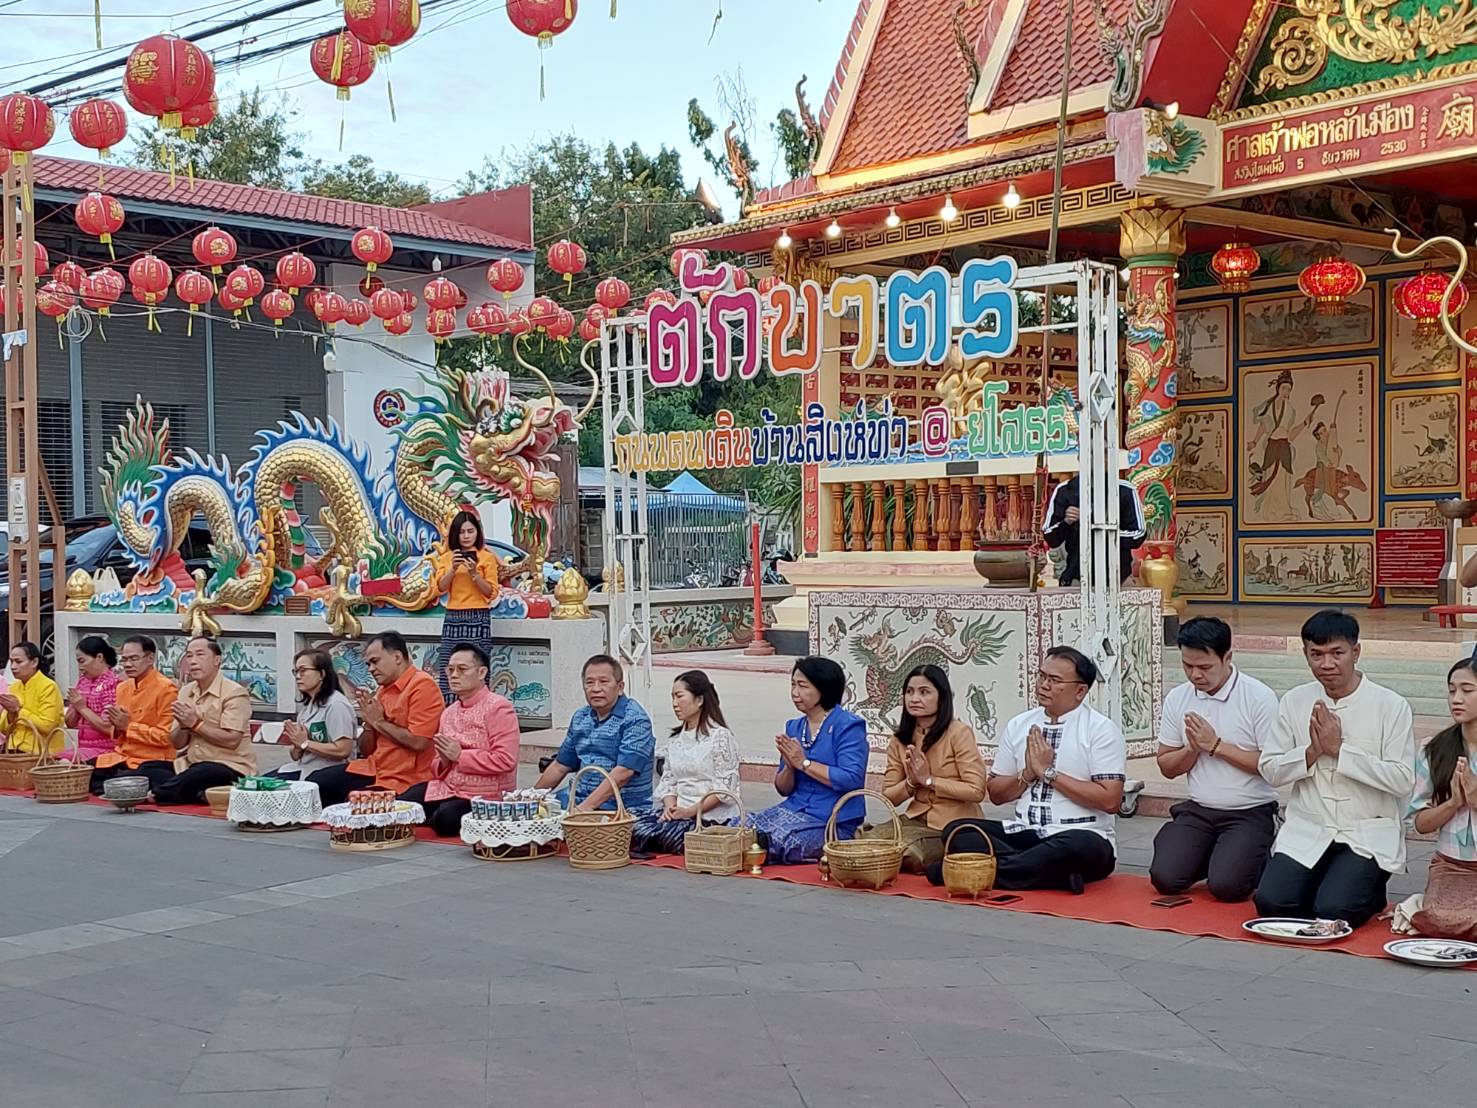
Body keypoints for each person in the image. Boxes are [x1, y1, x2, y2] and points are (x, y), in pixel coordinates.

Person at [1254, 610, 1415, 928]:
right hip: (1310, 828)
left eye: (1337, 653)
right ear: (1305, 655)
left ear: (1356, 652)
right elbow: (1270, 769)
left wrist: (1340, 752)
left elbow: (1402, 780)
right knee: (1272, 904)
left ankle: (1367, 891)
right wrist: (1313, 752)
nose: (1326, 664)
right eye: (1317, 654)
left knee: (1333, 911)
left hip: (1364, 832)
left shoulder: (1391, 705)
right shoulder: (1294, 701)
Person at [930, 647, 1126, 893]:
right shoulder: (1019, 724)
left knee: (1076, 846)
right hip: (1026, 832)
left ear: (1080, 691)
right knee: (959, 832)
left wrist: (1049, 774)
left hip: (1081, 834)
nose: (1043, 685)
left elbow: (1111, 800)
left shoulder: (1100, 730)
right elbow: (997, 794)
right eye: (1041, 676)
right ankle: (1052, 875)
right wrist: (1028, 774)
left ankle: (979, 871)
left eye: (1054, 680)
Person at [1149, 617, 1280, 902]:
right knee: (1165, 879)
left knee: (1227, 889)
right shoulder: (1178, 698)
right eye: (1188, 666)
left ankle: (1248, 856)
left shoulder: (1258, 697)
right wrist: (1192, 749)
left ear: (1227, 657)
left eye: (1205, 667)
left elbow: (1272, 768)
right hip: (1199, 810)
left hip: (1249, 811)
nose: (1195, 675)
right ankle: (1216, 852)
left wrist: (1217, 746)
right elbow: (1166, 766)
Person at [744, 657, 869, 865]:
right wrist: (790, 767)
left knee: (783, 840)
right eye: (793, 685)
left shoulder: (847, 725)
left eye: (802, 686)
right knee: (743, 825)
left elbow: (852, 779)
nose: (795, 693)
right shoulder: (794, 727)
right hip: (794, 808)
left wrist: (804, 763)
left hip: (833, 819)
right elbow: (783, 789)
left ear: (823, 688)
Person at [313, 631, 444, 807]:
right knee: (316, 783)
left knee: (356, 804)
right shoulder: (382, 690)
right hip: (375, 767)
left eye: (375, 662)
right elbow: (367, 750)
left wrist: (379, 722)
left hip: (406, 776)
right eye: (367, 664)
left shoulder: (423, 686)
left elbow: (419, 742)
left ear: (397, 657)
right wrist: (368, 724)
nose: (370, 669)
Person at [400, 643, 519, 837]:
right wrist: (445, 761)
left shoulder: (498, 707)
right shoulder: (449, 712)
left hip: (485, 794)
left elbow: (505, 759)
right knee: (403, 804)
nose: (454, 675)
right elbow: (437, 765)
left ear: (481, 672)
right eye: (450, 670)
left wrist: (460, 756)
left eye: (462, 669)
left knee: (445, 819)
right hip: (447, 788)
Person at [880, 664, 986, 872]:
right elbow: (888, 797)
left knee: (907, 851)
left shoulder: (958, 733)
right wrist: (911, 782)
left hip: (953, 826)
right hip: (915, 820)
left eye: (924, 692)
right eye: (909, 692)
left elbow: (976, 790)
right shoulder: (900, 739)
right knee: (864, 839)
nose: (914, 698)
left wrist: (929, 780)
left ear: (942, 697)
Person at [629, 670, 742, 856]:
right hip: (679, 813)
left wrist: (690, 811)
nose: (675, 704)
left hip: (709, 817)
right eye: (672, 697)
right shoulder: (675, 740)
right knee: (631, 822)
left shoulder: (720, 737)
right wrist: (670, 808)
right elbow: (669, 781)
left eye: (679, 696)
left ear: (699, 700)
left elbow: (724, 789)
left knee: (670, 835)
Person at [1406, 657, 1477, 939]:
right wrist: (1453, 803)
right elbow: (1420, 823)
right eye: (1451, 690)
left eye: (1467, 690)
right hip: (1452, 864)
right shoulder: (1433, 749)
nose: (1456, 699)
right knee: (1442, 921)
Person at [536, 654, 655, 812]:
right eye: (589, 683)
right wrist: (532, 798)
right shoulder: (580, 717)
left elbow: (623, 773)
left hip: (621, 808)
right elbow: (560, 766)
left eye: (604, 682)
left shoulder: (635, 719)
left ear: (620, 687)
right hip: (575, 797)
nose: (596, 688)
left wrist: (584, 809)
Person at [152, 636, 255, 805]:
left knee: (203, 772)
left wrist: (196, 724)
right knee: (150, 768)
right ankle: (199, 794)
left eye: (200, 655)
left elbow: (232, 740)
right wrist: (184, 726)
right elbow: (177, 744)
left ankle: (158, 795)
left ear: (217, 660)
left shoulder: (235, 693)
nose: (193, 661)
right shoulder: (186, 691)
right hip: (190, 764)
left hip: (230, 767)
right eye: (189, 656)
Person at [90, 635, 179, 794]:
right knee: (84, 772)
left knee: (141, 778)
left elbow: (167, 737)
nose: (128, 664)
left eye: (134, 658)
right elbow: (117, 733)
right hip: (123, 757)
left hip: (152, 760)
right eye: (124, 660)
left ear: (150, 658)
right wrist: (116, 725)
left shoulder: (166, 689)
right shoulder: (123, 688)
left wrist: (128, 726)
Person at [432, 510, 499, 703]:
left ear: (477, 532)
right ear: (455, 534)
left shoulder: (486, 558)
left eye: (471, 531)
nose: (467, 536)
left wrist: (474, 574)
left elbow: (491, 593)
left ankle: (480, 707)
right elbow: (440, 588)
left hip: (478, 616)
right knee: (450, 666)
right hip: (453, 616)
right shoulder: (447, 558)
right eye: (462, 532)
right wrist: (453, 568)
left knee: (477, 666)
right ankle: (450, 709)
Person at [267, 649, 358, 784]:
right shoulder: (307, 708)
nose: (298, 676)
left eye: (303, 670)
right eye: (296, 671)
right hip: (304, 768)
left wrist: (305, 743)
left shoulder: (336, 705)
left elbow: (343, 749)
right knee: (257, 784)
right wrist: (297, 745)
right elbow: (296, 756)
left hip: (331, 773)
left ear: (321, 674)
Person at [1041, 474, 1147, 585]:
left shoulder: (1124, 489)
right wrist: (1067, 522)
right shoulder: (1065, 489)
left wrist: (1102, 531)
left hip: (1120, 579)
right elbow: (1050, 537)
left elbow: (1139, 533)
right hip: (1078, 578)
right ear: (1079, 457)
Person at [0, 642, 64, 756]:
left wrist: (18, 710)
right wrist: (10, 713)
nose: (13, 667)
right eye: (12, 662)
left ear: (34, 662)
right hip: (13, 750)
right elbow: (4, 729)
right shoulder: (14, 687)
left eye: (18, 661)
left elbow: (47, 726)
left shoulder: (48, 686)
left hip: (41, 752)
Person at [65, 636, 121, 763]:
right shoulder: (82, 682)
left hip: (106, 749)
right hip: (83, 748)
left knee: (64, 763)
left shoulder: (113, 684)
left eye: (82, 661)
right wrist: (75, 706)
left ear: (99, 657)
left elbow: (108, 728)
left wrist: (82, 708)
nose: (80, 667)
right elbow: (70, 723)